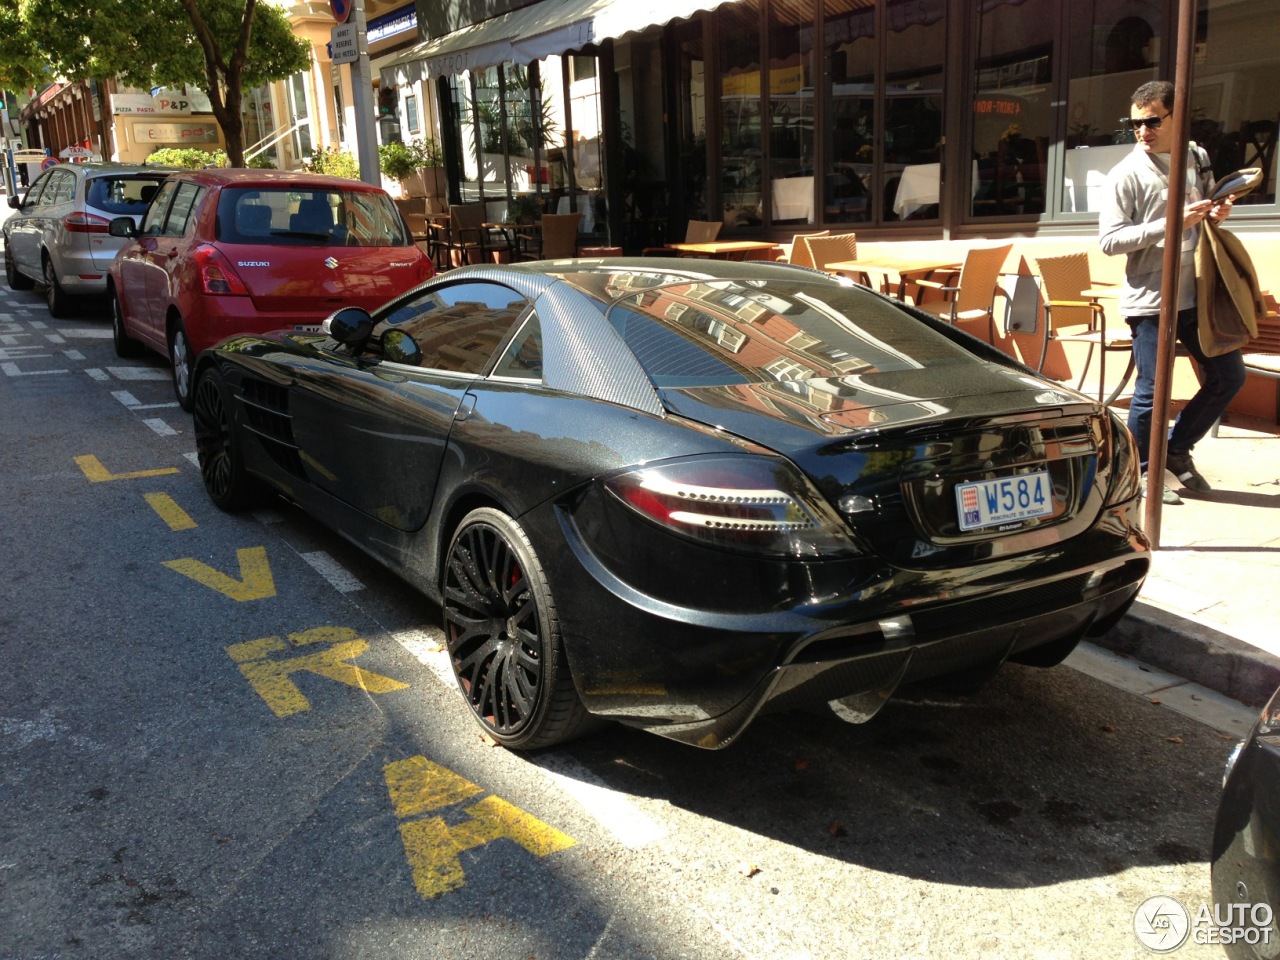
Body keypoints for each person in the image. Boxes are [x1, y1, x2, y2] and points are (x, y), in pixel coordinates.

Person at [1099, 80, 1246, 504]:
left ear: (1175, 117)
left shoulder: (1195, 156)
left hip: (1198, 292)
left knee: (1228, 376)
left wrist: (1217, 211)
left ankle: (1176, 451)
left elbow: (1208, 204)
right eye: (1135, 123)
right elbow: (1109, 241)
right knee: (1152, 388)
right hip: (1151, 299)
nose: (1142, 131)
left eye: (1151, 121)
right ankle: (1143, 471)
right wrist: (1173, 222)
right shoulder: (1125, 174)